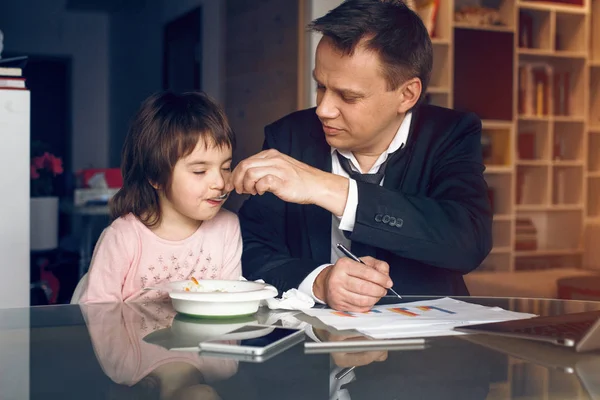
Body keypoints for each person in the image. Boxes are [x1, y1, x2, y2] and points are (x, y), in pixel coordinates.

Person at [231, 0, 492, 312]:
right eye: (320, 86)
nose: (324, 110)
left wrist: (329, 189)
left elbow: (468, 241)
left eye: (348, 96)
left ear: (407, 94)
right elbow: (249, 249)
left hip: (421, 345)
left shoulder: (450, 134)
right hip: (312, 341)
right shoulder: (288, 136)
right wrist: (319, 282)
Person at [77, 91, 242, 303]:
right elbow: (96, 316)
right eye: (200, 171)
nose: (220, 182)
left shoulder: (227, 227)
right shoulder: (124, 237)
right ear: (156, 176)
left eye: (226, 167)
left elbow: (231, 305)